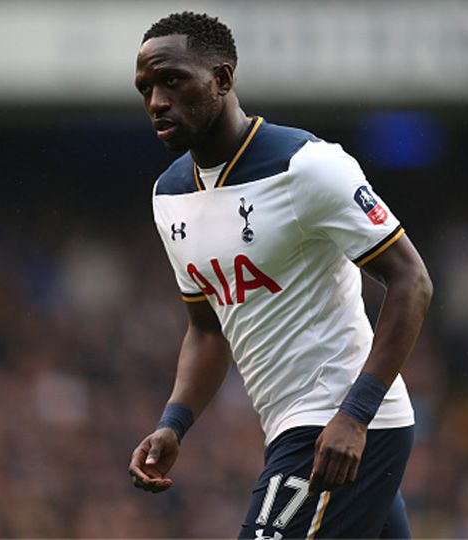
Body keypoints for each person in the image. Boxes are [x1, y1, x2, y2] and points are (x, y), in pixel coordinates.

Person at [127, 12, 433, 539]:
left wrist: (354, 415)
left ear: (222, 80)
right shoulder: (169, 196)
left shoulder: (306, 166)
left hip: (340, 423)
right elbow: (207, 329)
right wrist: (174, 423)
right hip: (301, 429)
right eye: (146, 87)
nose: (156, 101)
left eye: (173, 80)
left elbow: (412, 280)